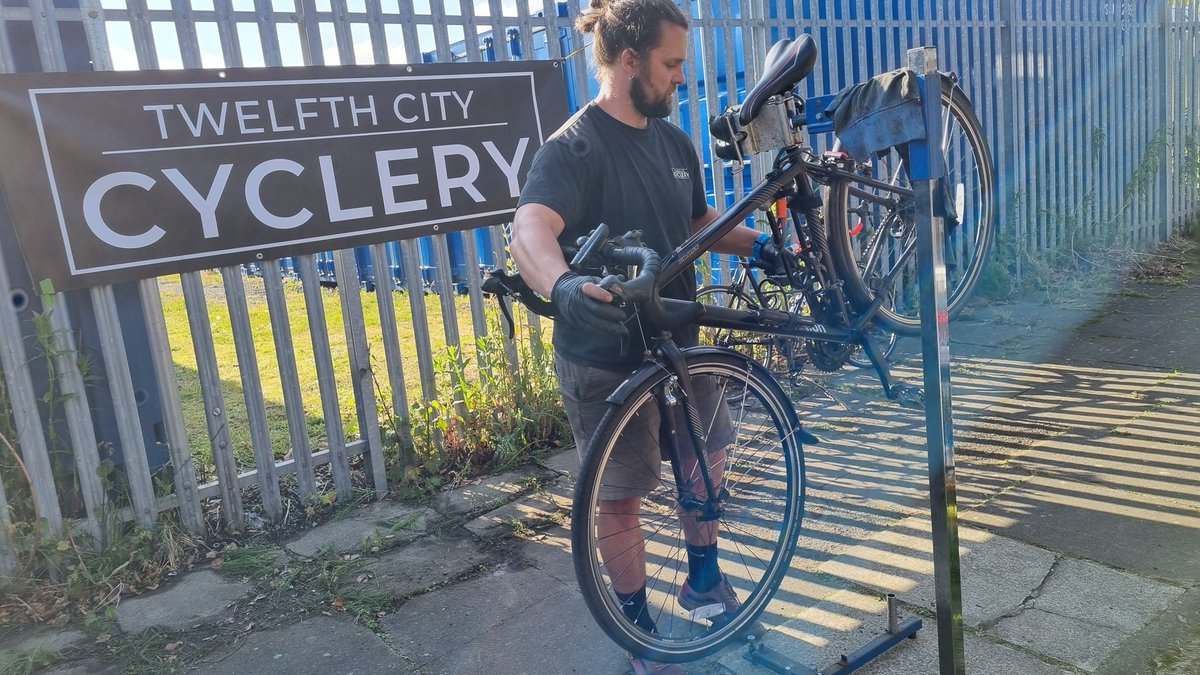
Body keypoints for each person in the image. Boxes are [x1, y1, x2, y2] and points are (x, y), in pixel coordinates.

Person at [510, 0, 790, 671]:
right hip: (607, 356)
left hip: (679, 341)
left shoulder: (674, 142)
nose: (681, 78)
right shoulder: (573, 147)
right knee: (620, 497)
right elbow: (530, 230)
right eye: (670, 65)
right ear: (629, 61)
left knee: (709, 460)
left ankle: (703, 580)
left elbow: (697, 219)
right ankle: (640, 636)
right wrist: (565, 286)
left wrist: (760, 248)